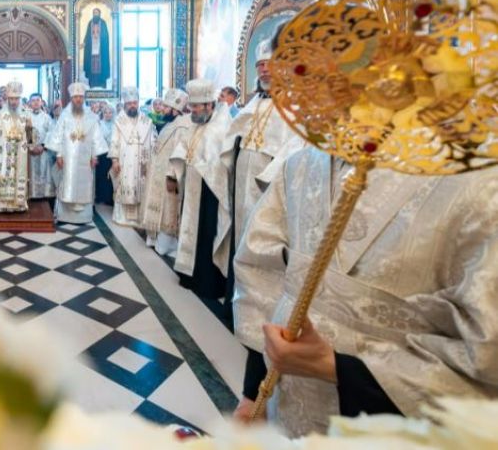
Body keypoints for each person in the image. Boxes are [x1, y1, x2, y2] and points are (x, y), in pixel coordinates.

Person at [234, 148, 498, 436]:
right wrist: (252, 393)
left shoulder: (483, 184)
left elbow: (484, 361)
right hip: (281, 404)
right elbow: (263, 273)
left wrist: (338, 369)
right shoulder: (302, 162)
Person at [216, 38, 305, 314]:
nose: (264, 70)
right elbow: (233, 137)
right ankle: (237, 300)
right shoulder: (254, 103)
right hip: (242, 184)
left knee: (262, 241)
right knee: (242, 238)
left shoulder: (293, 105)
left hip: (268, 186)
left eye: (269, 64)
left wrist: (269, 176)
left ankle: (258, 308)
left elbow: (295, 148)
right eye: (260, 66)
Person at [168, 79, 231, 311]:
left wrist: (200, 166)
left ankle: (207, 282)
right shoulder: (196, 125)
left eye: (196, 107)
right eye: (191, 107)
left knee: (206, 232)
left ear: (209, 105)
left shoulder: (221, 126)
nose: (192, 111)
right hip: (193, 185)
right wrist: (175, 171)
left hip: (210, 189)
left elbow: (219, 158)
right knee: (190, 228)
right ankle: (188, 274)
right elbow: (184, 146)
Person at [47, 83, 108, 223]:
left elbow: (96, 138)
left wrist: (95, 156)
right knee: (66, 183)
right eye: (75, 97)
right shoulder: (64, 116)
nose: (78, 100)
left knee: (85, 184)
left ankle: (84, 216)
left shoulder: (91, 116)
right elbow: (58, 136)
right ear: (71, 98)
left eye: (81, 97)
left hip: (86, 159)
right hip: (67, 158)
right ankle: (64, 215)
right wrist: (58, 155)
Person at [140, 89, 189, 255]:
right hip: (158, 174)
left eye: (166, 107)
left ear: (176, 109)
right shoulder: (170, 124)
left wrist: (172, 175)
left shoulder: (182, 125)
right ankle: (154, 239)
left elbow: (179, 154)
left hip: (169, 176)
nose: (163, 110)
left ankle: (167, 245)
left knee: (168, 208)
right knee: (158, 207)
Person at [109, 86, 155, 228]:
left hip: (142, 161)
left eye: (134, 103)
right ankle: (122, 217)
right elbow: (114, 141)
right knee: (125, 186)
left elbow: (153, 140)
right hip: (125, 161)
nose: (132, 106)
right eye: (129, 104)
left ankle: (140, 218)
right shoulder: (119, 121)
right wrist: (114, 160)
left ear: (138, 103)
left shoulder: (147, 121)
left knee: (142, 186)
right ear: (124, 104)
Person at [0, 81, 33, 213]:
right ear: (7, 99)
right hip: (3, 153)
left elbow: (31, 139)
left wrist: (30, 129)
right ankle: (3, 204)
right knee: (4, 176)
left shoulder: (26, 114)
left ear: (20, 98)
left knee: (19, 176)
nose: (13, 102)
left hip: (20, 153)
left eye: (16, 98)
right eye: (11, 98)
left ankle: (20, 204)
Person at [27, 92, 56, 202]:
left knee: (44, 171)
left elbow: (51, 133)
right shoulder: (26, 116)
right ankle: (32, 194)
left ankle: (44, 195)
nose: (35, 103)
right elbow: (26, 132)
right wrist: (31, 147)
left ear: (41, 102)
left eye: (37, 100)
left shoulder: (47, 117)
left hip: (44, 151)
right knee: (32, 172)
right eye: (33, 100)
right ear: (30, 103)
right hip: (30, 152)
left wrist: (43, 146)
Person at [82, 7, 111, 88]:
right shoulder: (90, 23)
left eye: (97, 13)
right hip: (91, 49)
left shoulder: (103, 23)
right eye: (94, 13)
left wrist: (98, 37)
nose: (95, 14)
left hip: (101, 50)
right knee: (91, 67)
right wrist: (85, 42)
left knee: (101, 66)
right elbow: (87, 35)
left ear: (99, 14)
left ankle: (101, 83)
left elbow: (105, 36)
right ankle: (92, 83)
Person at [95, 104, 116, 205]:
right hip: (101, 153)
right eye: (106, 112)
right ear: (103, 114)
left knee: (110, 175)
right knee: (101, 175)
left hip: (112, 153)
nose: (108, 114)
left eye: (110, 112)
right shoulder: (99, 124)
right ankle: (100, 196)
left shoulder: (116, 125)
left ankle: (109, 197)